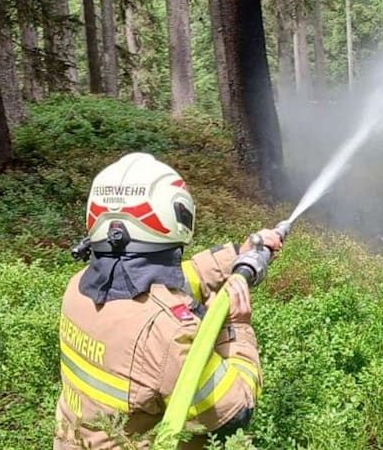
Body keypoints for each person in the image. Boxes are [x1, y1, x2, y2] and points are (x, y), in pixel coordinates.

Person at [54, 153, 282, 449]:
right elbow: (233, 415)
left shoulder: (79, 287)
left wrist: (237, 254)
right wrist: (235, 328)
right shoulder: (167, 334)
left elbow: (164, 286)